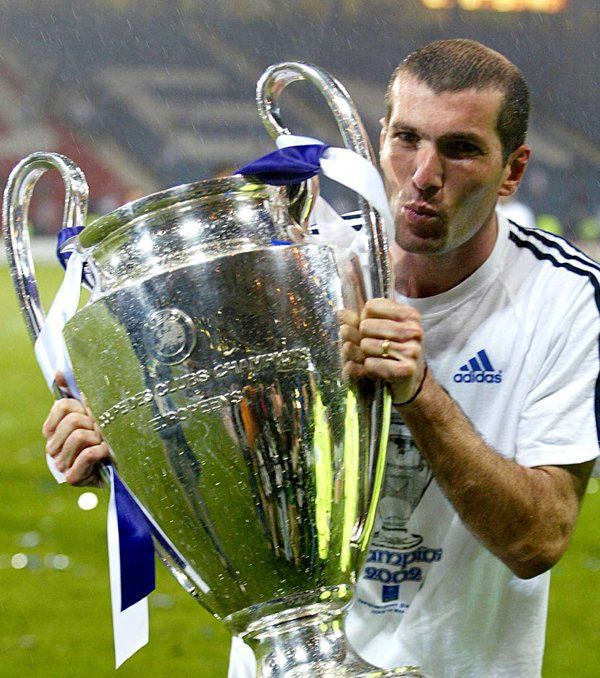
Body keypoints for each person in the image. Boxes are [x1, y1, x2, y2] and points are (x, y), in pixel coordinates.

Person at [42, 40, 598, 677]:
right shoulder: (300, 264)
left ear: (513, 170)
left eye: (461, 148)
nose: (424, 175)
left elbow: (538, 539)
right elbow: (225, 450)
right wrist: (121, 446)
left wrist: (418, 392)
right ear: (378, 136)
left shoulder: (565, 294)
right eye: (407, 139)